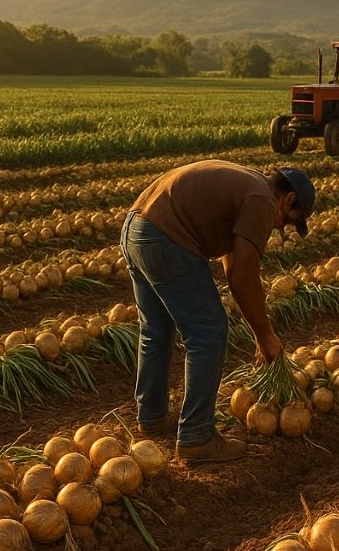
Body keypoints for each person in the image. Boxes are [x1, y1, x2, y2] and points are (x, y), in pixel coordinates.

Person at [120, 160, 315, 463]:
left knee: (156, 330)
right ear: (289, 199)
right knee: (208, 333)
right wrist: (265, 336)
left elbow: (231, 262)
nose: (280, 227)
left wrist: (259, 333)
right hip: (166, 237)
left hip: (135, 228)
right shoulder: (262, 201)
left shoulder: (249, 181)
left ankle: (153, 415)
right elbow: (242, 277)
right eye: (289, 220)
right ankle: (197, 437)